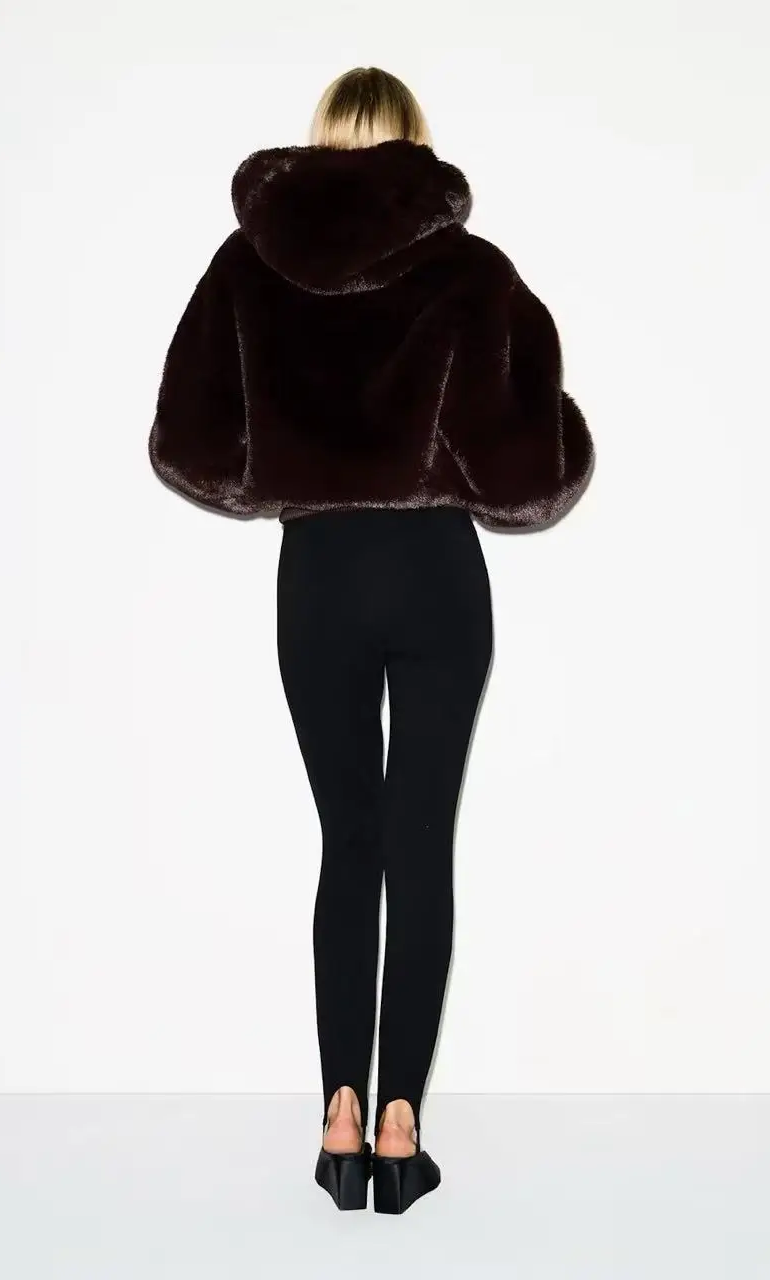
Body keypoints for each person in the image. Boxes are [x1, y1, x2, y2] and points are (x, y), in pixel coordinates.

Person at [148, 66, 594, 1214]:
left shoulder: (247, 268)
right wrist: (552, 434)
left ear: (315, 144)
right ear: (414, 145)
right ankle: (402, 1125)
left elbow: (183, 446)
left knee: (347, 842)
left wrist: (287, 473)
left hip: (318, 579)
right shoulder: (470, 272)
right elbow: (533, 477)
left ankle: (337, 1114)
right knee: (418, 845)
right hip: (437, 573)